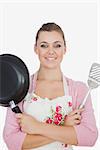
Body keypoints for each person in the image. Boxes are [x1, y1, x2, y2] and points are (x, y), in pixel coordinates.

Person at [3, 23, 98, 150]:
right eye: (44, 45)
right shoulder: (21, 86)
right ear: (36, 48)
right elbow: (12, 142)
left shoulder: (79, 90)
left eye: (57, 45)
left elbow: (89, 137)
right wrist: (65, 129)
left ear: (65, 49)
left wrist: (37, 127)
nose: (51, 51)